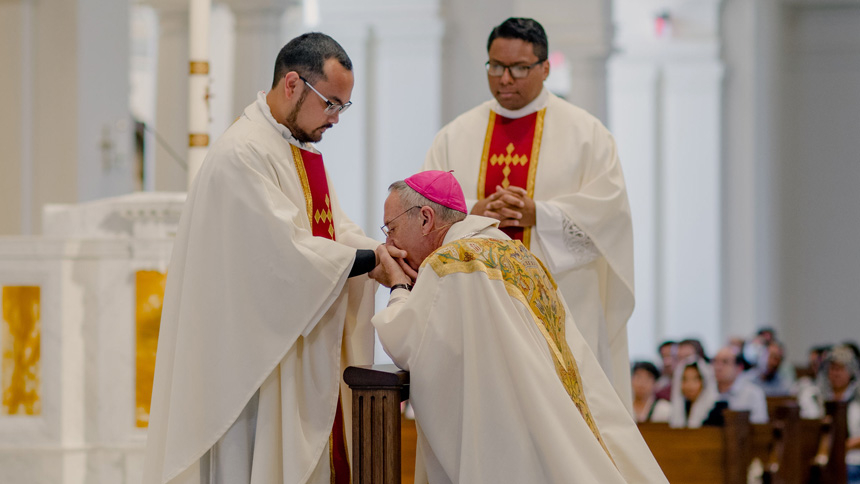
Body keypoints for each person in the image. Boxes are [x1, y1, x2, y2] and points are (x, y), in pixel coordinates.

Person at [143, 33, 394, 484]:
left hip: (292, 357)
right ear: (293, 84)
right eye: (331, 103)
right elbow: (283, 256)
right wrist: (366, 260)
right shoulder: (243, 153)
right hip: (254, 368)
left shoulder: (297, 148)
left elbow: (335, 231)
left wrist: (380, 253)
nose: (336, 119)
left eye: (344, 107)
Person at [369, 171, 667, 483]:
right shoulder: (511, 251)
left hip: (506, 433)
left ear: (426, 219)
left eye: (392, 228)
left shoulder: (449, 264)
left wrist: (398, 286)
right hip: (545, 413)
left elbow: (406, 342)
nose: (389, 242)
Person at [422, 17, 635, 406]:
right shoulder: (455, 136)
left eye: (520, 68)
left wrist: (542, 215)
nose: (505, 79)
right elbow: (425, 216)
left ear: (546, 68)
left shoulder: (587, 135)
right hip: (479, 312)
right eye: (496, 67)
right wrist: (476, 213)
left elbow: (611, 217)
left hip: (563, 310)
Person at [797, 345, 860, 483]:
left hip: (854, 460)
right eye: (832, 368)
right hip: (819, 456)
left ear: (851, 372)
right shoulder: (815, 396)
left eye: (841, 369)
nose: (836, 373)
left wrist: (845, 445)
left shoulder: (857, 398)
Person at [710, 346, 768, 424]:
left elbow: (759, 427)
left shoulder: (753, 393)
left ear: (739, 368)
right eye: (715, 362)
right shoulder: (706, 391)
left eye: (725, 362)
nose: (718, 367)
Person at [667, 359, 718, 428]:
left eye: (695, 379)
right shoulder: (681, 409)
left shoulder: (716, 410)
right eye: (685, 379)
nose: (689, 385)